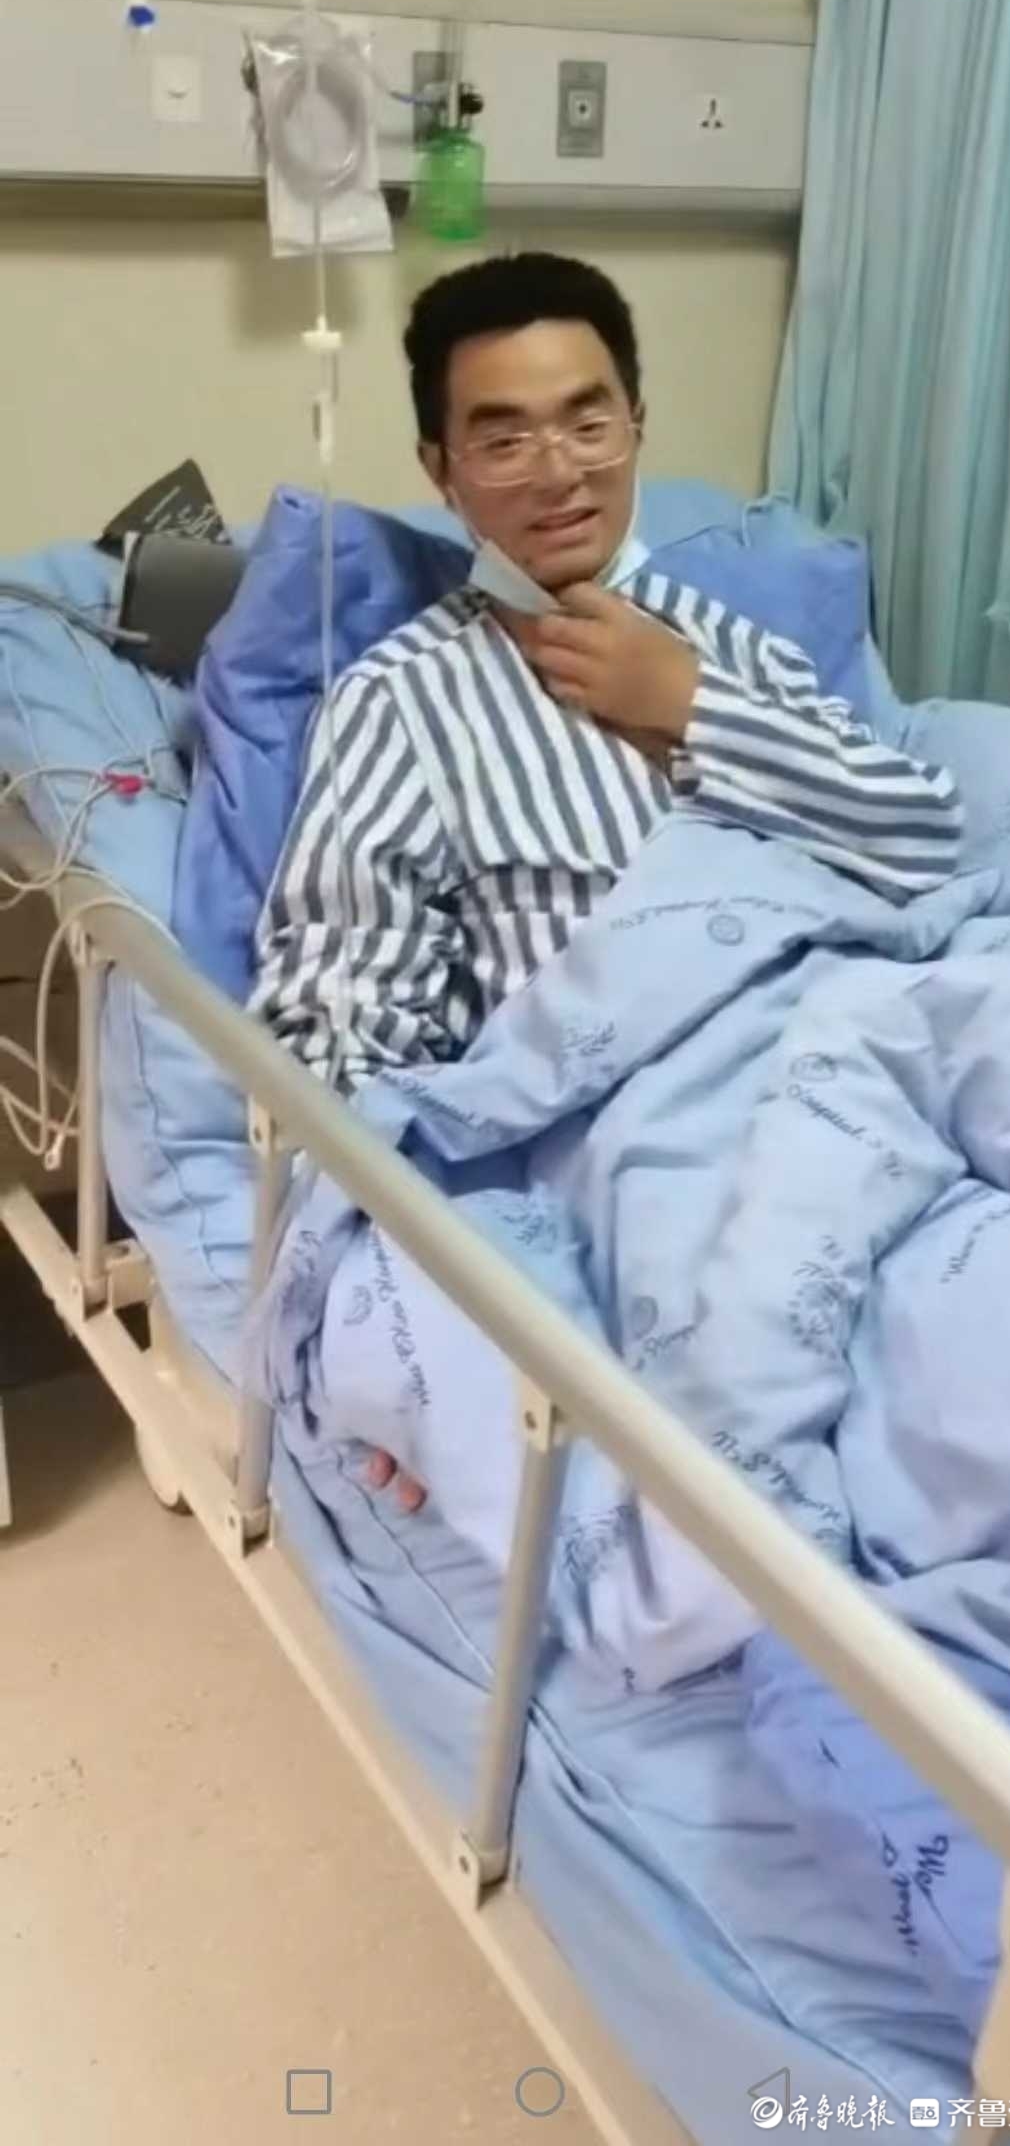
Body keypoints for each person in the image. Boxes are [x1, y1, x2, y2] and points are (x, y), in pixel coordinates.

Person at [250, 251, 963, 1509]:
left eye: (589, 421)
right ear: (440, 471)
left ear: (637, 422)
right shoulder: (403, 702)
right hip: (668, 1146)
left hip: (879, 1075)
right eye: (503, 438)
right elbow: (340, 1020)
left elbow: (923, 845)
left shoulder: (737, 655)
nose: (559, 470)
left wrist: (694, 709)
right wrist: (397, 1317)